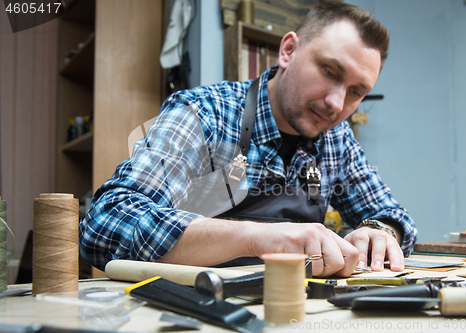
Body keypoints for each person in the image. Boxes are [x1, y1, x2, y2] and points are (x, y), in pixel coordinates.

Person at [79, 0, 417, 278]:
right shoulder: (204, 113)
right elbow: (105, 221)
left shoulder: (336, 137)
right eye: (330, 72)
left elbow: (391, 213)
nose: (336, 104)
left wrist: (381, 231)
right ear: (287, 51)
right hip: (192, 308)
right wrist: (257, 238)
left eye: (356, 92)